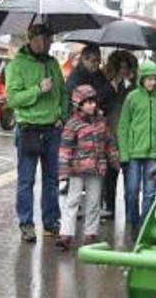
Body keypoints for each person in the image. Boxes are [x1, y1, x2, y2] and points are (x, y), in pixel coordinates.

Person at [5, 24, 69, 243]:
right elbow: (13, 99)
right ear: (33, 39)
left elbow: (63, 92)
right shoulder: (17, 65)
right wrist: (38, 90)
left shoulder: (52, 63)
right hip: (29, 129)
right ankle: (26, 224)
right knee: (26, 180)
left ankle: (51, 222)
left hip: (53, 129)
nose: (50, 43)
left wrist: (62, 115)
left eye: (50, 39)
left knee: (52, 180)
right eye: (46, 39)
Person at [56, 85, 119, 249]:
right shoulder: (72, 124)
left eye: (93, 102)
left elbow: (109, 143)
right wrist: (63, 171)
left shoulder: (101, 122)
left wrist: (114, 160)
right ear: (79, 104)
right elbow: (65, 149)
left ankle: (90, 232)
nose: (92, 105)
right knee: (72, 200)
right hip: (77, 170)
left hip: (97, 168)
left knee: (94, 201)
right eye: (88, 102)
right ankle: (66, 233)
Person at [118, 61, 156, 239]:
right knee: (132, 191)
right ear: (141, 79)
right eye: (148, 79)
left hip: (154, 153)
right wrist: (124, 153)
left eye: (154, 79)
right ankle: (133, 221)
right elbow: (123, 126)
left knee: (150, 192)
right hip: (134, 153)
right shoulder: (132, 98)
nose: (152, 83)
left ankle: (142, 225)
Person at [100, 50, 137, 217]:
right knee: (110, 177)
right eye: (120, 67)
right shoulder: (107, 86)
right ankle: (109, 209)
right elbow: (101, 104)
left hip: (129, 139)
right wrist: (111, 88)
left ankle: (131, 213)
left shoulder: (134, 88)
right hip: (111, 137)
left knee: (131, 180)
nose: (123, 70)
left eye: (126, 67)